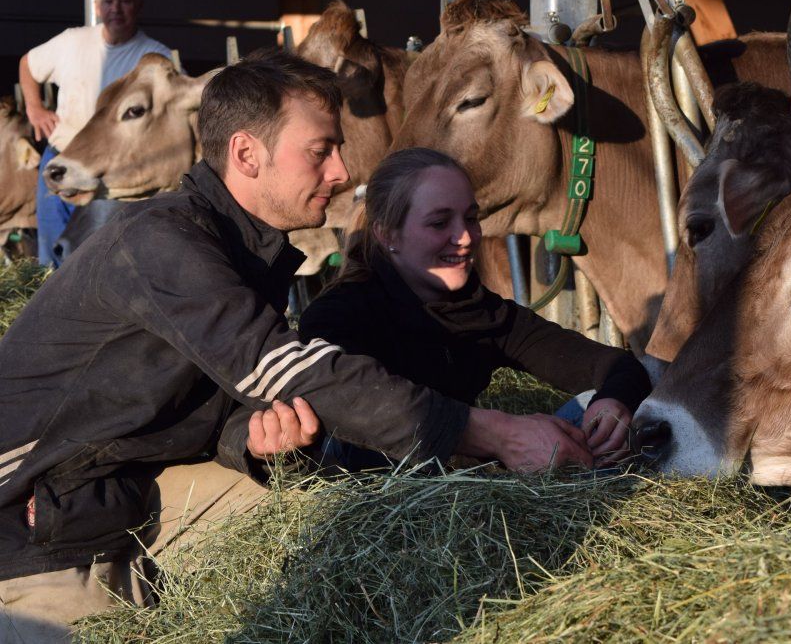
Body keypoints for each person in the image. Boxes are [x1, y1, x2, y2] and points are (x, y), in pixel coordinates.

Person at [0, 50, 597, 642]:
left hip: (127, 488)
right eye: (321, 151)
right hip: (37, 524)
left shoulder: (248, 251)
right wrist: (497, 433)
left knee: (343, 533)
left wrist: (260, 446)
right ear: (246, 153)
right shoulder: (162, 243)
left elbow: (226, 403)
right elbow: (288, 370)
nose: (341, 172)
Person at [298, 148, 652, 472]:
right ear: (388, 235)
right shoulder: (338, 317)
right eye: (439, 223)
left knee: (596, 408)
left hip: (482, 494)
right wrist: (495, 449)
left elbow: (615, 366)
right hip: (389, 509)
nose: (465, 237)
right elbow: (357, 433)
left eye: (470, 218)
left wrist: (613, 405)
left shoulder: (481, 310)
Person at [18, 0, 172, 265]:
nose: (115, 9)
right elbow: (28, 63)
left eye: (125, 1)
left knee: (98, 253)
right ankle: (50, 304)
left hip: (114, 171)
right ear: (96, 7)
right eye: (108, 1)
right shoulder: (72, 41)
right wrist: (34, 108)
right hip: (61, 156)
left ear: (138, 5)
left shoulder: (156, 57)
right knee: (51, 249)